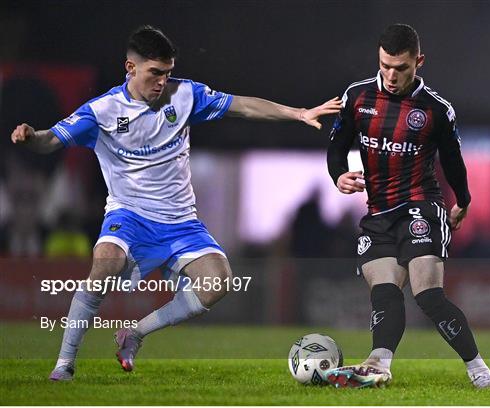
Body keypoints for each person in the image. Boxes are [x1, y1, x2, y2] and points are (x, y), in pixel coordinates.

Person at [10, 25, 342, 381]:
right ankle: (64, 363)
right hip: (130, 215)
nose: (162, 82)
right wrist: (31, 137)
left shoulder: (185, 95)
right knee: (105, 262)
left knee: (218, 283)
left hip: (182, 222)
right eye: (155, 73)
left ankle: (134, 334)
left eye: (167, 73)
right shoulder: (102, 111)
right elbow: (51, 141)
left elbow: (241, 106)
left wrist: (297, 113)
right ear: (130, 68)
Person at [324, 24, 490, 389]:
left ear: (419, 62)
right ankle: (379, 363)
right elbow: (337, 145)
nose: (391, 75)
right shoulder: (357, 97)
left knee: (427, 294)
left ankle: (478, 368)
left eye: (401, 67)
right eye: (385, 65)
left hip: (421, 205)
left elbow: (454, 162)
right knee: (385, 291)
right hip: (378, 214)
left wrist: (463, 202)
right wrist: (338, 175)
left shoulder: (436, 109)